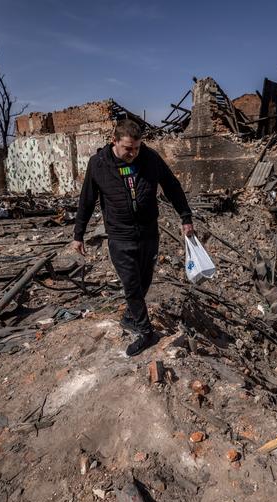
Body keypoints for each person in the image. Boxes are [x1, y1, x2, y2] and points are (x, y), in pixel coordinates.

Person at [70, 119, 194, 356]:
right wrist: (79, 234)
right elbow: (86, 200)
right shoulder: (98, 164)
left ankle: (129, 316)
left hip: (148, 233)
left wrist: (185, 217)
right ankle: (146, 332)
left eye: (136, 148)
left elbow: (172, 186)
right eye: (128, 148)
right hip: (120, 235)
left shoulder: (150, 159)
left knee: (144, 280)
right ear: (114, 141)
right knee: (132, 285)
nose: (133, 153)